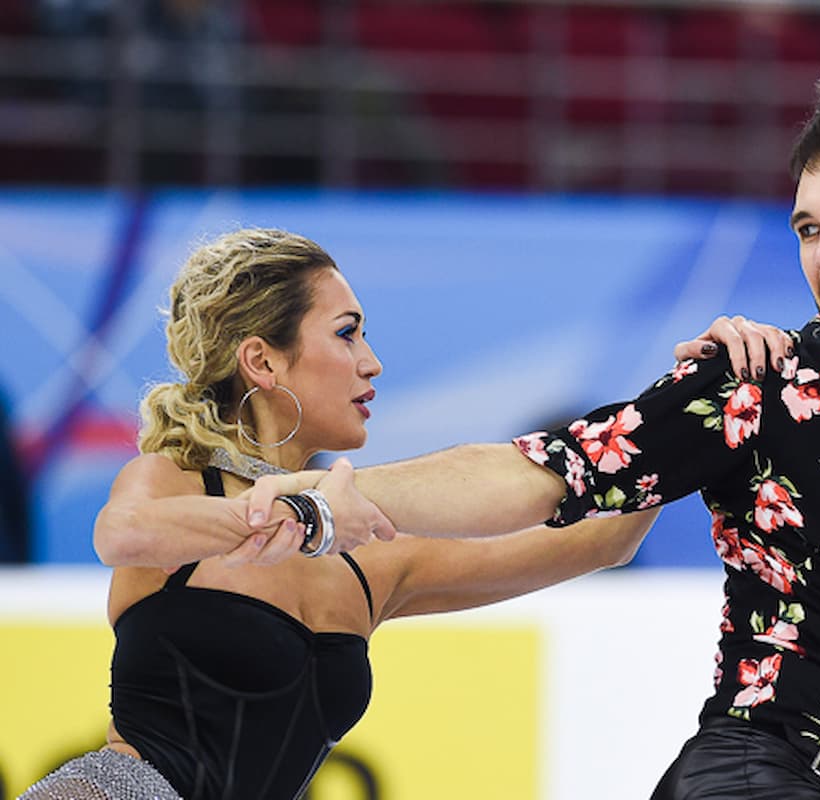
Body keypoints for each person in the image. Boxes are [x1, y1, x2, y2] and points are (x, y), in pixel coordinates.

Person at [248, 45, 820, 799]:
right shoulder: (756, 386)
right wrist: (331, 496)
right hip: (758, 774)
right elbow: (542, 470)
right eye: (808, 227)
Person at [15, 226, 773, 800]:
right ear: (263, 361)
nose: (372, 361)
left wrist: (692, 400)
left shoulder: (370, 558)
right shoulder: (174, 481)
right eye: (345, 333)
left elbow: (598, 542)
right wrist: (295, 513)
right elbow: (122, 535)